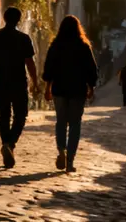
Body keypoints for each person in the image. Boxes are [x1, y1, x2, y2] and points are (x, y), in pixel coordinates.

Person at [0, 7, 40, 169]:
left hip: (0, 82)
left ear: (4, 18)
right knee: (21, 115)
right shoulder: (23, 38)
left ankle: (6, 143)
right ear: (19, 20)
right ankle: (10, 143)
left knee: (4, 115)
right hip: (18, 82)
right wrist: (35, 82)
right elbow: (30, 62)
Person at [41, 15, 99, 173]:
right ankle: (70, 159)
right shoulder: (83, 46)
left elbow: (49, 68)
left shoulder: (56, 45)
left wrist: (47, 87)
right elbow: (91, 69)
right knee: (75, 124)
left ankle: (61, 150)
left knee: (61, 121)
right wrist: (91, 87)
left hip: (59, 89)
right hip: (77, 90)